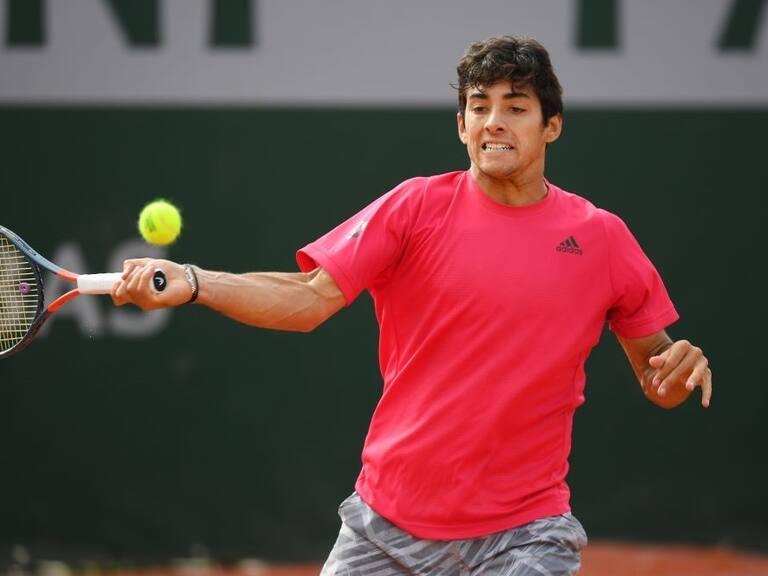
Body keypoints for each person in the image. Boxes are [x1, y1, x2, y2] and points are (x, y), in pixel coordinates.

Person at [113, 36, 712, 576]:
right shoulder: (415, 208)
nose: (494, 122)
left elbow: (658, 375)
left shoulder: (601, 238)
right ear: (461, 125)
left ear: (551, 125)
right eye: (479, 107)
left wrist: (677, 372)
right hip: (386, 530)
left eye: (516, 107)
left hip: (523, 536)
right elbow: (306, 299)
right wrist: (193, 280)